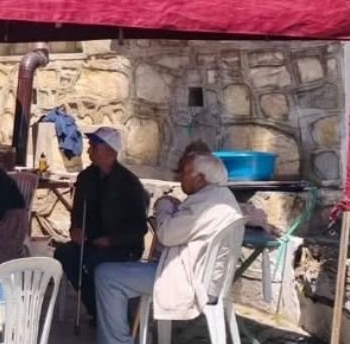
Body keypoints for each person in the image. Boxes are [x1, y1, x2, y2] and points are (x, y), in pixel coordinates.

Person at [94, 154, 243, 344]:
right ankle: (137, 334)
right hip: (209, 281)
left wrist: (163, 206)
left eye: (185, 172)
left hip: (189, 281)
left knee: (107, 275)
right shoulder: (222, 197)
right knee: (120, 273)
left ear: (200, 178)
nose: (180, 175)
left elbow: (166, 235)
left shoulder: (204, 204)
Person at [53, 126, 149, 325]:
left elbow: (139, 228)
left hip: (122, 246)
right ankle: (99, 310)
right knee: (65, 254)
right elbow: (78, 212)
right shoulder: (86, 178)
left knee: (95, 263)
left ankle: (110, 315)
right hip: (91, 241)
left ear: (110, 152)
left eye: (93, 147)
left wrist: (112, 240)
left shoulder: (129, 184)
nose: (89, 151)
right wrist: (76, 229)